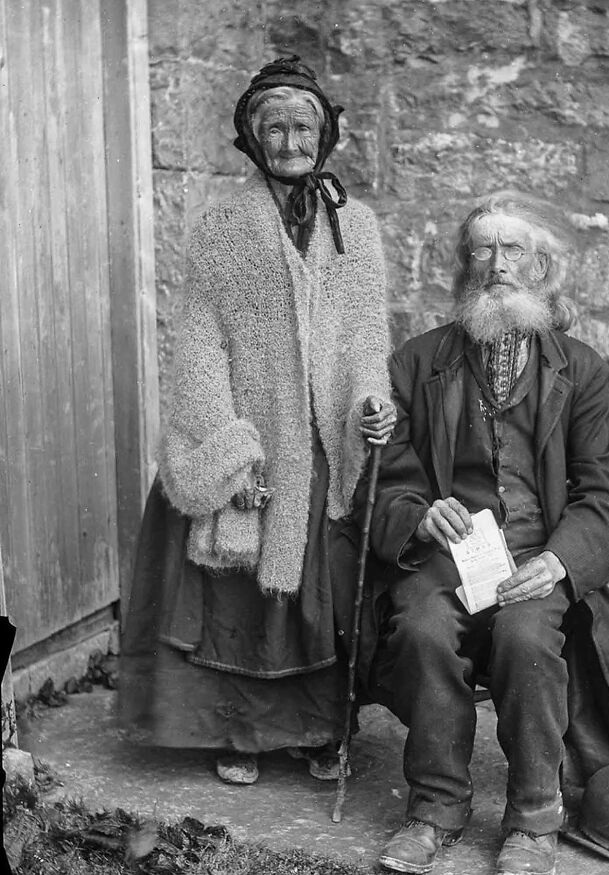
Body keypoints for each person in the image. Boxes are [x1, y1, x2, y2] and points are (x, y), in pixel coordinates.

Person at [360, 190, 609, 875]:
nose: (498, 263)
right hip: (446, 559)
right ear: (465, 263)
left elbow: (606, 491)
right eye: (484, 247)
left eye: (514, 249)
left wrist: (563, 562)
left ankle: (534, 818)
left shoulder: (581, 369)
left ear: (541, 266)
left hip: (539, 556)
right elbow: (389, 476)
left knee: (525, 635)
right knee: (419, 627)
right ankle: (435, 808)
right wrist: (419, 512)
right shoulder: (417, 363)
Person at [119, 55, 395, 786]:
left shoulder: (355, 229)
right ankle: (239, 733)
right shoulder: (222, 230)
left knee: (320, 595)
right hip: (254, 440)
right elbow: (199, 344)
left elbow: (367, 337)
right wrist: (231, 453)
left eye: (302, 125)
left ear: (324, 134)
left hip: (322, 445)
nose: (288, 140)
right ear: (251, 137)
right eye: (272, 127)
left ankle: (322, 731)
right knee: (239, 597)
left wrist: (370, 403)